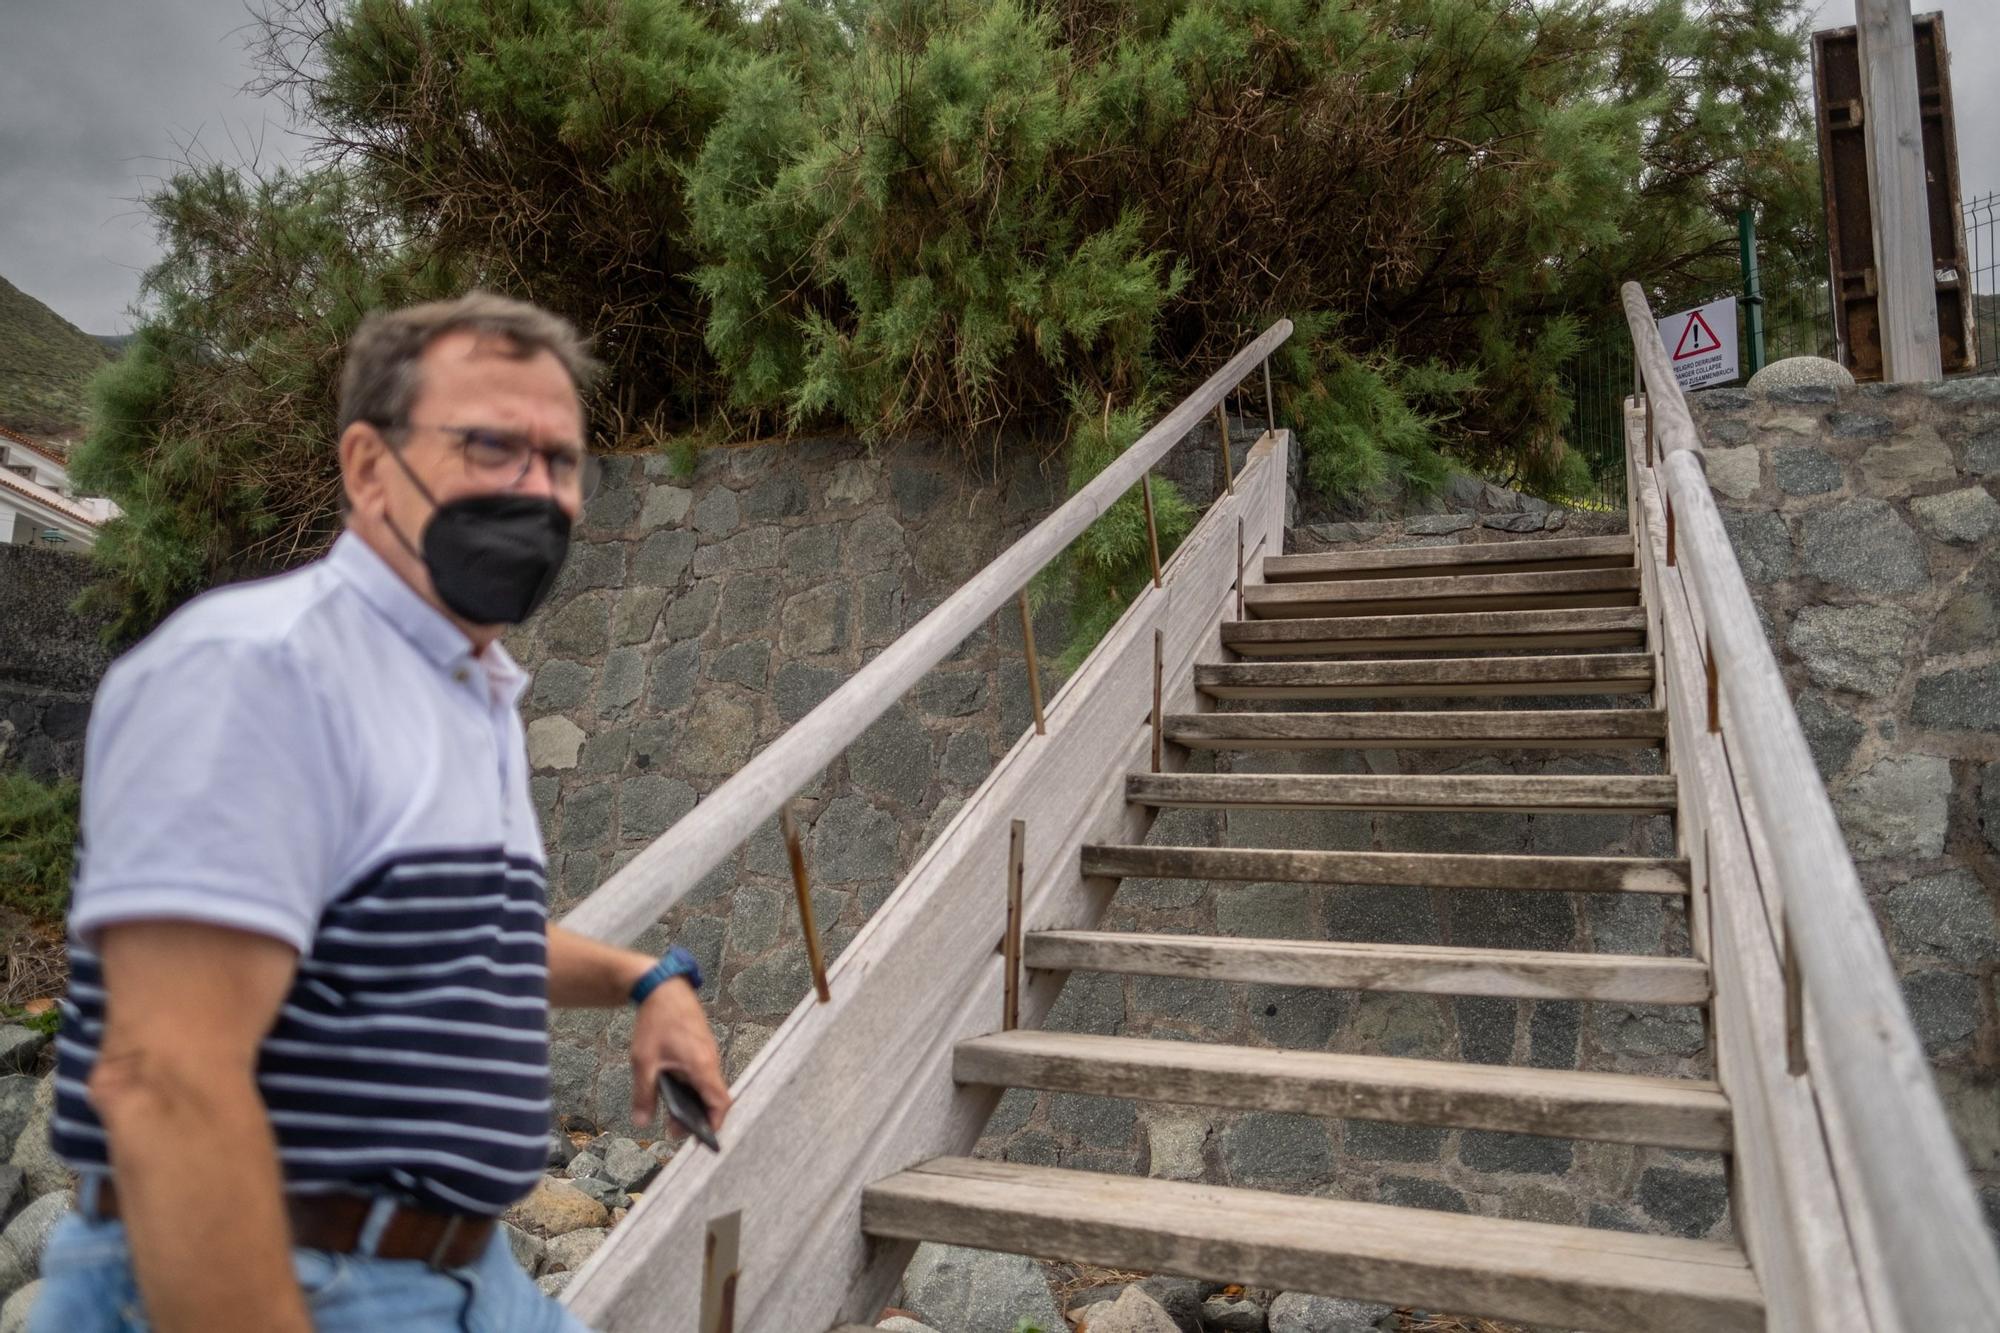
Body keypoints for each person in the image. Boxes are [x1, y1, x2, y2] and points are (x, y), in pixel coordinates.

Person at [33, 292, 730, 1332]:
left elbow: (456, 941)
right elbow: (165, 1081)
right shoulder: (264, 671)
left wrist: (648, 979)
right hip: (285, 1274)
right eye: (491, 446)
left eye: (561, 459)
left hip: (467, 1281)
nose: (536, 490)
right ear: (368, 467)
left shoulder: (466, 693)